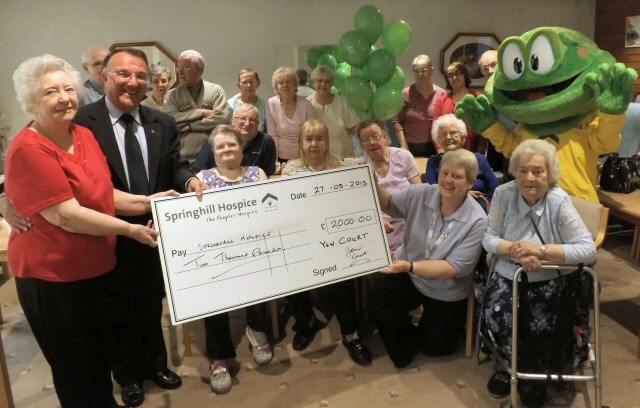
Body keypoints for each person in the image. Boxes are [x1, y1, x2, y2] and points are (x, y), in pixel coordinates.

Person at [4, 54, 160, 408]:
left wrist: (149, 202)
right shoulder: (28, 149)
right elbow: (67, 216)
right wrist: (130, 231)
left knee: (97, 362)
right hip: (54, 281)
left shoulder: (82, 134)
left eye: (68, 89)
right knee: (77, 371)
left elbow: (105, 194)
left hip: (96, 272)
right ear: (32, 101)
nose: (64, 98)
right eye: (50, 92)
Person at [75, 48, 207, 407]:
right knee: (116, 310)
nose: (133, 83)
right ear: (104, 75)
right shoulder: (81, 122)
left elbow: (175, 166)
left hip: (155, 232)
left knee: (151, 303)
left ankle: (155, 365)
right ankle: (128, 375)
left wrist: (191, 181)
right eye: (123, 74)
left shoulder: (161, 122)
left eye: (140, 76)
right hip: (107, 233)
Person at [481, 139, 597, 408]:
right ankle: (508, 367)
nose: (529, 178)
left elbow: (587, 250)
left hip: (552, 281)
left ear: (550, 174)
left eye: (537, 171)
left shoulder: (558, 200)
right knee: (498, 316)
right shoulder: (503, 194)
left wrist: (541, 251)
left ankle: (535, 375)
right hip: (510, 273)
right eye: (522, 170)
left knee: (542, 327)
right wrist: (516, 249)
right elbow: (489, 238)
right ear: (514, 172)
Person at [370, 148, 488, 368]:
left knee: (435, 349)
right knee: (380, 292)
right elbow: (388, 204)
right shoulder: (422, 192)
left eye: (457, 176)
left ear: (470, 183)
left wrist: (411, 266)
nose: (448, 180)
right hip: (410, 275)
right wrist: (371, 182)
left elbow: (455, 268)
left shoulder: (477, 220)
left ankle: (428, 325)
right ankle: (405, 345)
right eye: (445, 173)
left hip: (445, 289)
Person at [281, 119, 372, 366]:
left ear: (327, 142)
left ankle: (350, 334)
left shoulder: (340, 167)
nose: (314, 144)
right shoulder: (291, 170)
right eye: (308, 139)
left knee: (340, 278)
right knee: (288, 272)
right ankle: (307, 322)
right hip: (302, 238)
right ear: (300, 142)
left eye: (319, 138)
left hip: (334, 238)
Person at [195, 125, 270, 394]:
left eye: (232, 145)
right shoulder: (201, 179)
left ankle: (257, 330)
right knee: (212, 292)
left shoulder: (257, 173)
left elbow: (271, 211)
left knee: (262, 273)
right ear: (213, 152)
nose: (227, 150)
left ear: (242, 148)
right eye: (221, 146)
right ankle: (219, 356)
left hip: (254, 249)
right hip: (217, 254)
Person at [357, 120, 421, 252]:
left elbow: (419, 192)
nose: (372, 142)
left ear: (385, 137)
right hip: (383, 224)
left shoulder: (404, 156)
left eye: (375, 136)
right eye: (366, 140)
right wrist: (377, 221)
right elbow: (362, 206)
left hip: (409, 216)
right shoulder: (361, 168)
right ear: (362, 145)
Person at [164, 49, 230, 162]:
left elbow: (222, 118)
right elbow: (170, 120)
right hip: (184, 160)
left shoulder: (216, 91)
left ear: (200, 69)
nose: (180, 72)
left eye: (186, 68)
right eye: (178, 68)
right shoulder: (172, 95)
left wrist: (191, 126)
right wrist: (201, 112)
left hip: (214, 159)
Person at [426, 114, 499, 210]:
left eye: (453, 133)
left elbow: (494, 190)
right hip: (447, 210)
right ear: (438, 140)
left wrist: (486, 209)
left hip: (479, 209)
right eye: (443, 134)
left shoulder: (479, 159)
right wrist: (463, 196)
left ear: (462, 136)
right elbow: (431, 192)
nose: (448, 137)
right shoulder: (433, 162)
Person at [192, 103, 276, 175]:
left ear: (258, 124)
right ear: (232, 121)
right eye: (242, 119)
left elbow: (267, 174)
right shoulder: (215, 140)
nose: (247, 124)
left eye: (252, 120)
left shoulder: (266, 141)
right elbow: (199, 172)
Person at [392, 54, 447, 157]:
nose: (420, 74)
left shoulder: (442, 94)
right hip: (409, 146)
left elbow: (445, 123)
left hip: (434, 146)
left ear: (431, 70)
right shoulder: (405, 93)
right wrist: (404, 147)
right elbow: (397, 122)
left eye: (424, 70)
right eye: (416, 71)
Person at [307, 65, 359, 159]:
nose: (323, 84)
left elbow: (353, 128)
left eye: (327, 81)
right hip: (315, 159)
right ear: (313, 83)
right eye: (319, 80)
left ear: (332, 84)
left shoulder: (342, 103)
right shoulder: (307, 104)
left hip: (341, 158)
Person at [433, 62, 486, 154]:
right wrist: (440, 150)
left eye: (458, 73)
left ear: (465, 75)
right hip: (447, 152)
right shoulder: (442, 101)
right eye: (450, 75)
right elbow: (435, 128)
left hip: (472, 151)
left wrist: (481, 150)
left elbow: (485, 126)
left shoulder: (477, 97)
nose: (454, 77)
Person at [266, 67, 316, 164]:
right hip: (280, 158)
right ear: (276, 87)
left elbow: (311, 135)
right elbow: (273, 136)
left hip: (303, 157)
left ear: (295, 84)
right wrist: (274, 161)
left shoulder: (306, 105)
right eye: (281, 83)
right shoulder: (271, 103)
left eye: (288, 82)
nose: (285, 85)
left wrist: (305, 159)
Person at [478, 49, 512, 178]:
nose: (490, 71)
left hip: (519, 144)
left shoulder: (517, 87)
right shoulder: (487, 92)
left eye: (494, 65)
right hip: (497, 147)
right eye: (484, 69)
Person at [227, 68, 267, 133]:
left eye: (252, 82)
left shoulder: (264, 106)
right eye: (244, 82)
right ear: (238, 85)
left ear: (258, 83)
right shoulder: (230, 105)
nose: (248, 85)